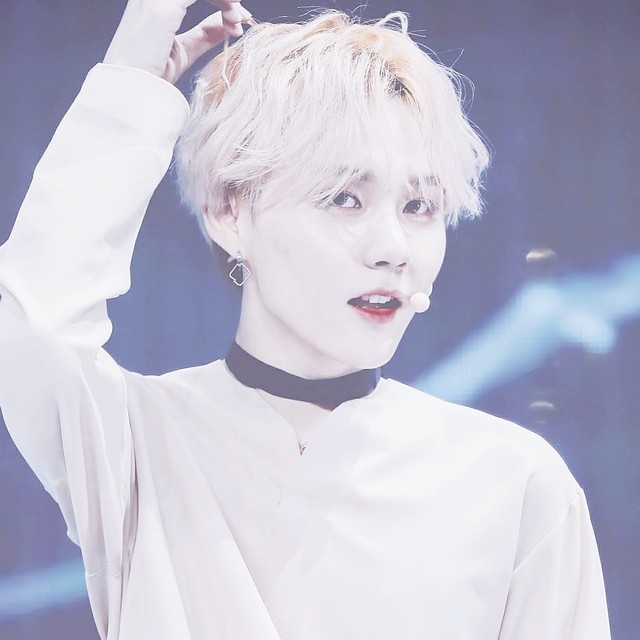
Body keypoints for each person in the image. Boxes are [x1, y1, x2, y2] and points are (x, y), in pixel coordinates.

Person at [0, 0, 610, 638]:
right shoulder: (135, 445)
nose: (393, 248)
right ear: (230, 210)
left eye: (420, 207)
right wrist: (131, 84)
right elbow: (39, 319)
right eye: (344, 198)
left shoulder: (515, 483)